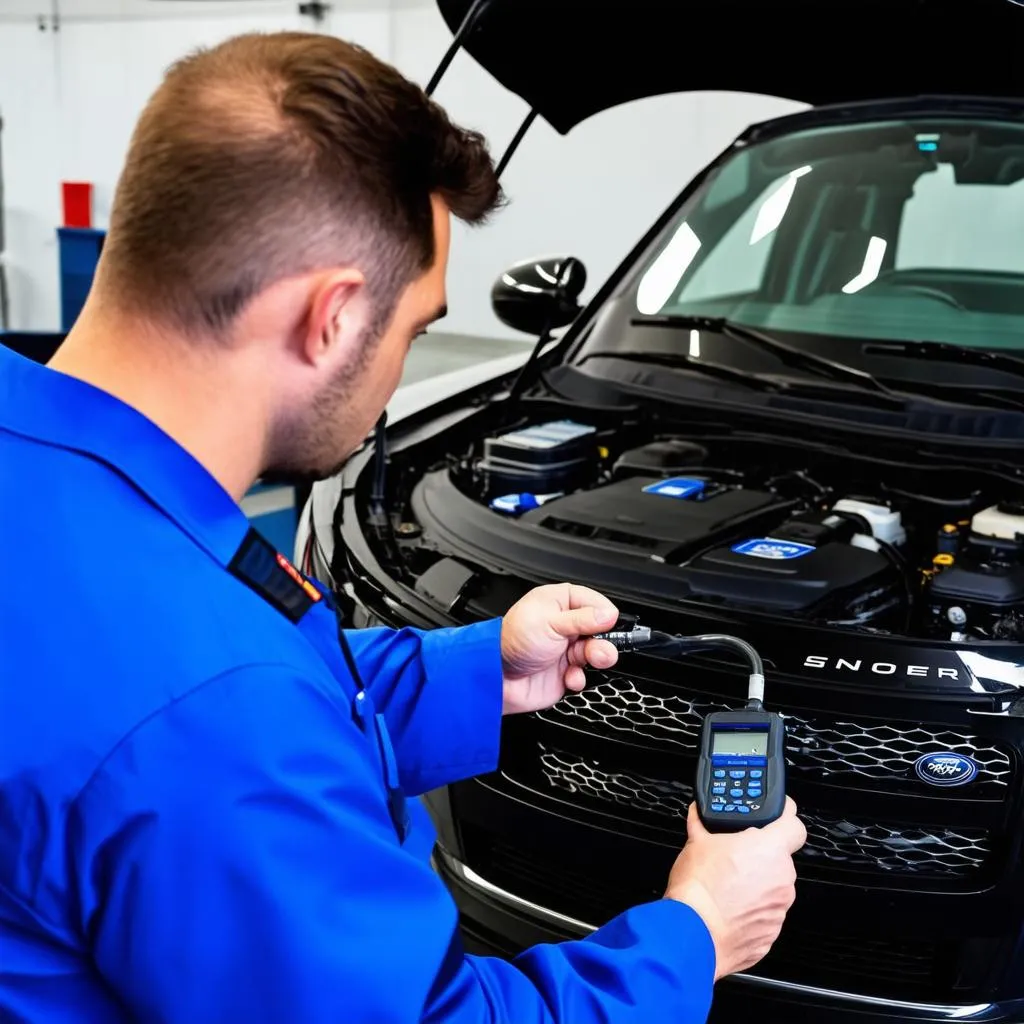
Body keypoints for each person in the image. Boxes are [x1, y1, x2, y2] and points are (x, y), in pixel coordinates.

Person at [0, 31, 806, 1024]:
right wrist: (695, 930)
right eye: (416, 324)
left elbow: (244, 683)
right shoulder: (211, 714)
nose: (402, 363)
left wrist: (474, 670)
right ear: (332, 316)